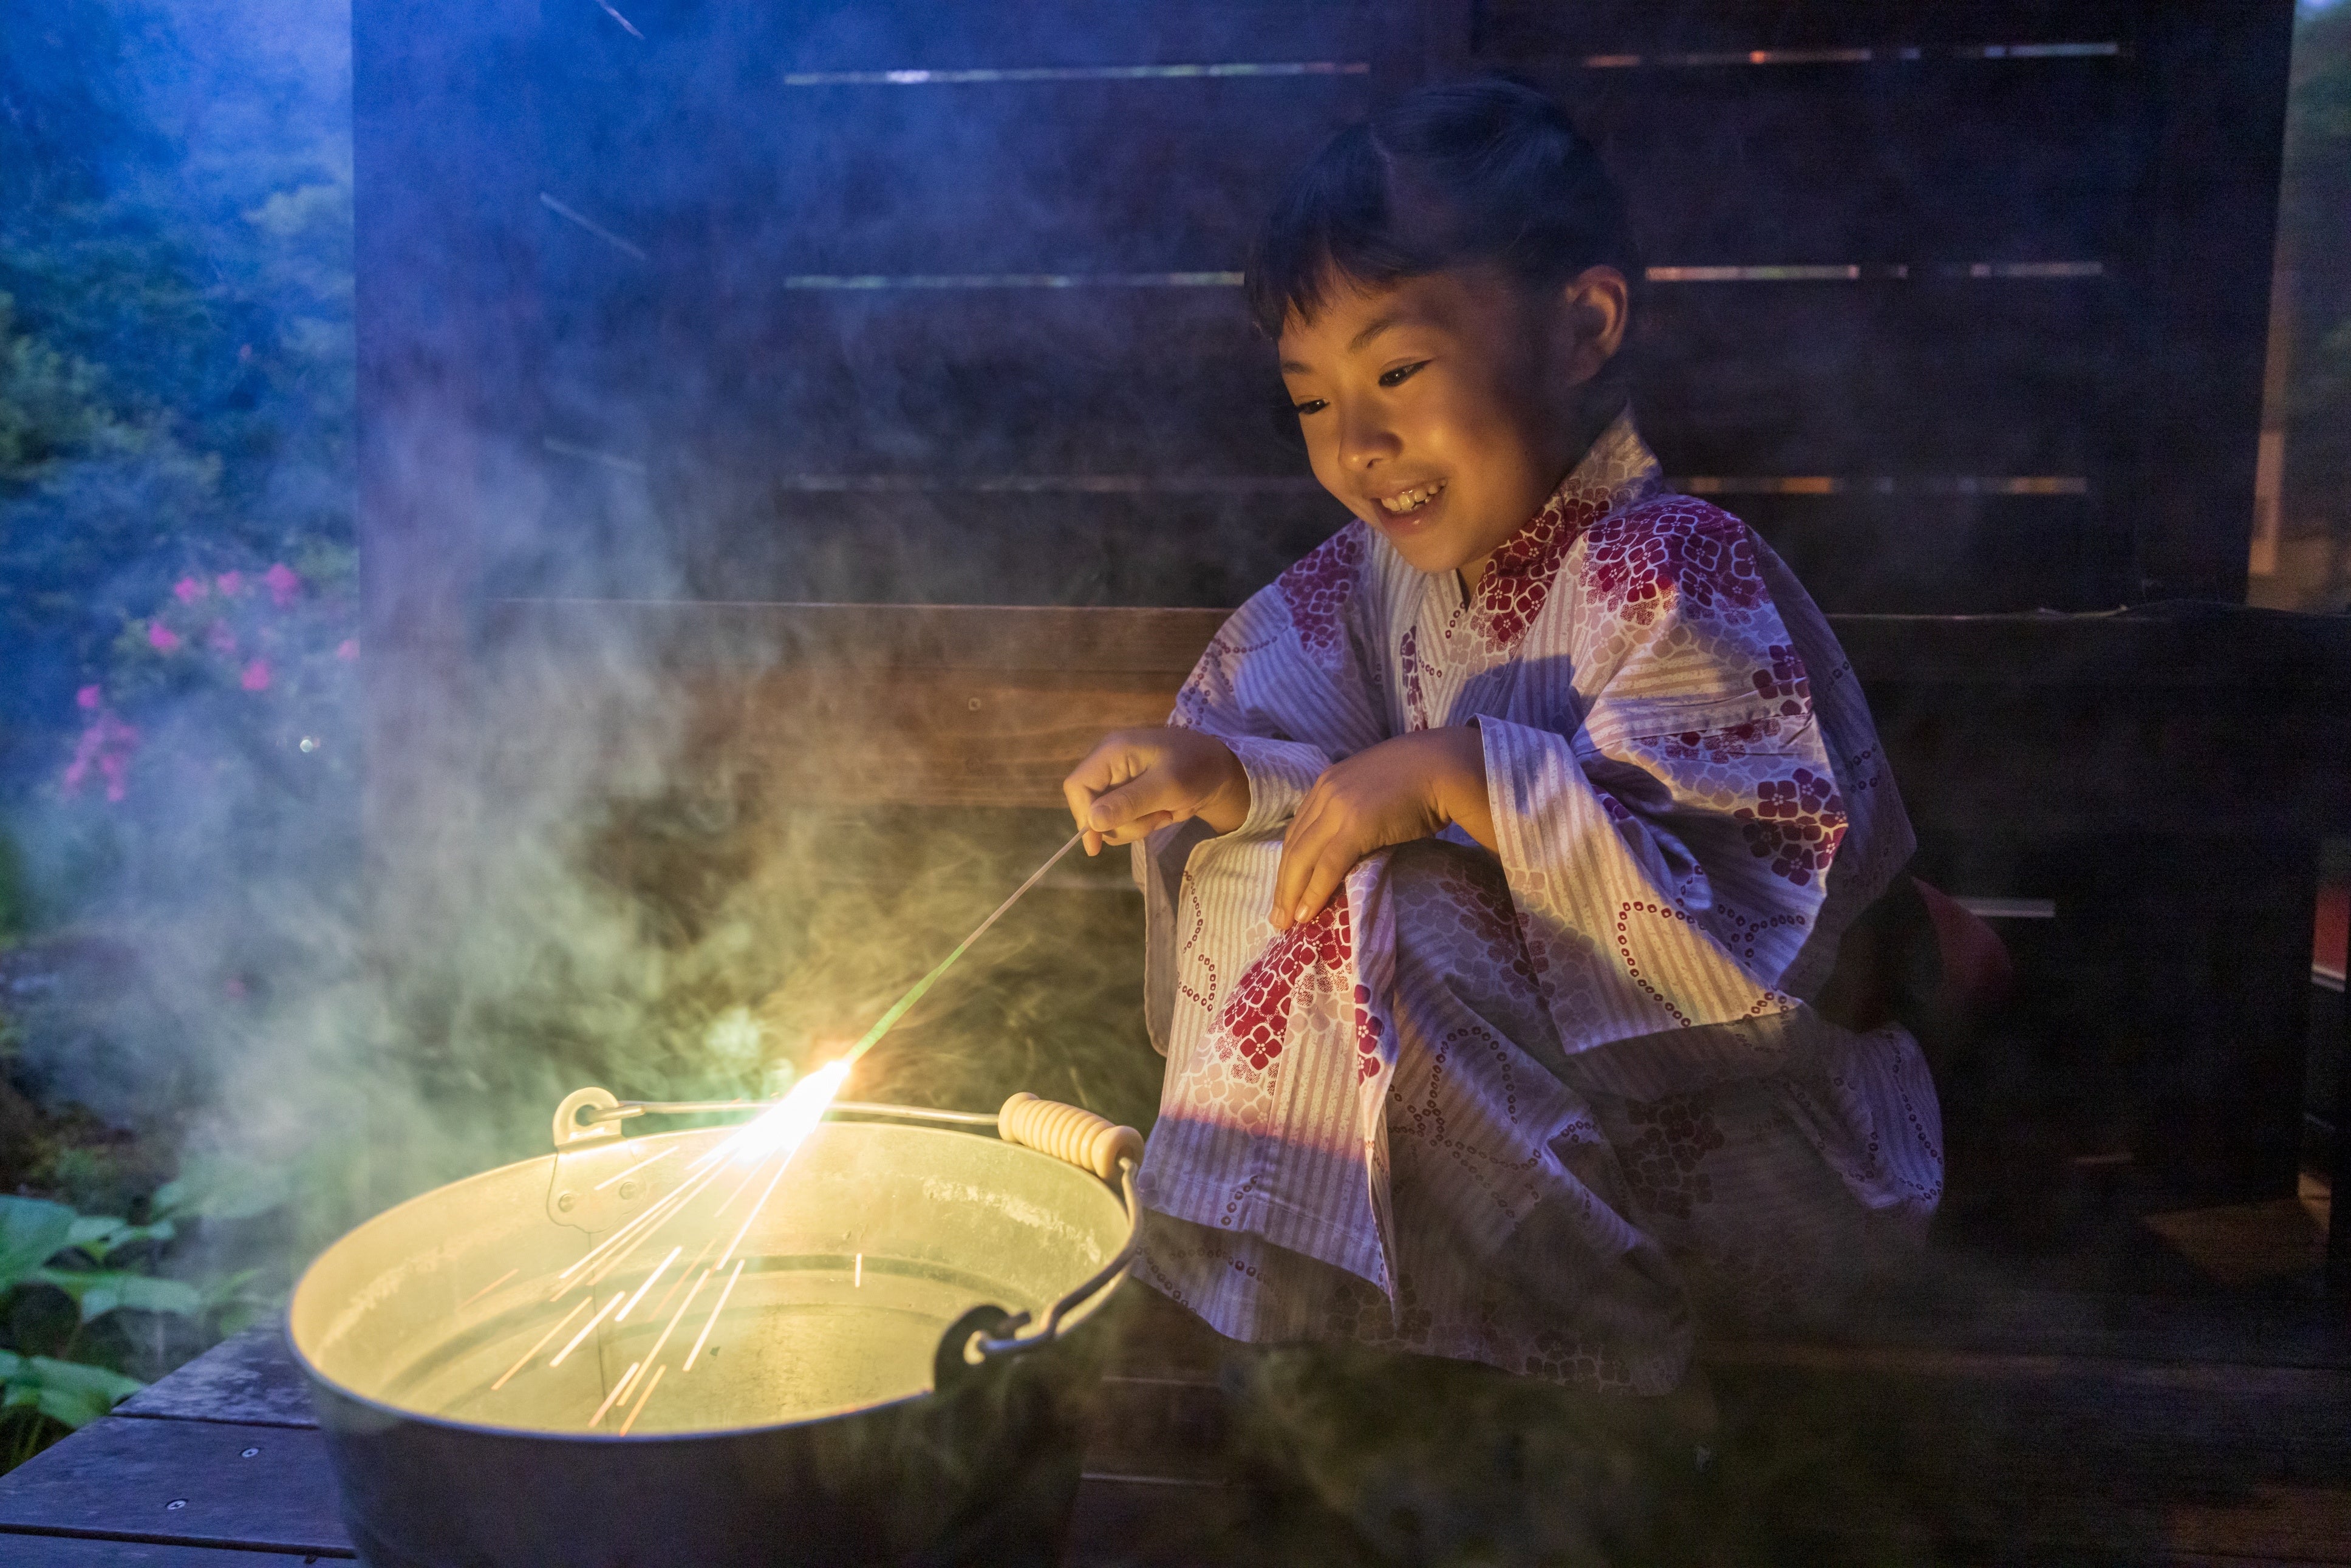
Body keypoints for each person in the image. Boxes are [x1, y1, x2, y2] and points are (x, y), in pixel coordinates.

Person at [1062, 79, 1941, 1396]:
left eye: (1398, 371)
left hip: (1759, 1163)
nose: (1358, 445)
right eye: (1309, 401)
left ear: (1580, 327)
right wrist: (1231, 779)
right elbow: (1339, 794)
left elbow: (1753, 945)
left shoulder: (1667, 567)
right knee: (1272, 868)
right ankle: (1402, 1334)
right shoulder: (1365, 587)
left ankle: (1605, 1390)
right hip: (1536, 1158)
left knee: (1395, 923)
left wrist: (1471, 776)